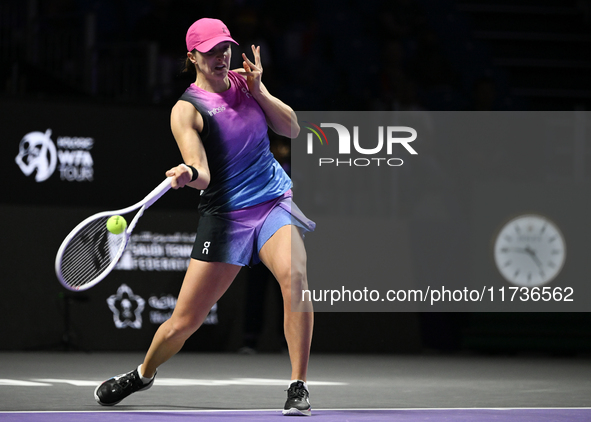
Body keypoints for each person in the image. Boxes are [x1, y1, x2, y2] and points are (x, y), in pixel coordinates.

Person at [94, 17, 315, 416]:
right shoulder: (187, 110)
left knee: (295, 276)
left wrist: (260, 91)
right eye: (212, 51)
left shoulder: (245, 82)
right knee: (183, 322)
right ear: (192, 56)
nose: (222, 56)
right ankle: (143, 373)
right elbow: (204, 172)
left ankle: (298, 386)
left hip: (271, 203)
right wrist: (187, 173)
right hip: (225, 216)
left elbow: (293, 129)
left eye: (225, 48)